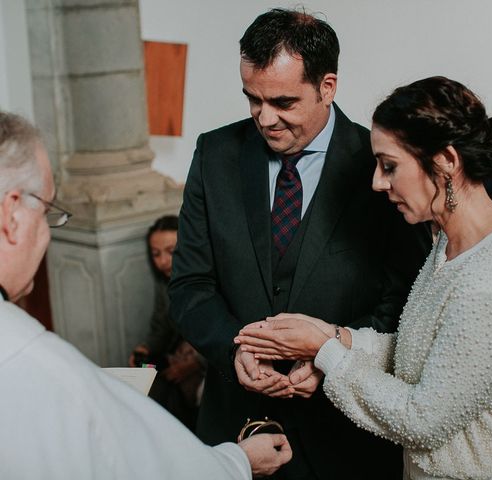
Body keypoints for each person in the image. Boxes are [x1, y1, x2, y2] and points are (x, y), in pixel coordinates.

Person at [236, 76, 492, 479]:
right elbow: (422, 353)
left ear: (446, 162)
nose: (377, 182)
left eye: (389, 166)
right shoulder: (449, 242)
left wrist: (328, 354)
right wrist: (335, 335)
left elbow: (423, 418)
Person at [168, 8, 427, 480]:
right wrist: (234, 349)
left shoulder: (381, 164)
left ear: (327, 87)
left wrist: (331, 359)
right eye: (253, 99)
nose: (265, 118)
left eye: (283, 102)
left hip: (348, 437)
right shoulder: (215, 154)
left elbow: (405, 301)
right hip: (237, 431)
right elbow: (190, 284)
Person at [0, 110, 291, 478]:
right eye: (45, 211)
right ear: (12, 215)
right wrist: (239, 462)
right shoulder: (40, 367)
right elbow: (153, 466)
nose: (47, 233)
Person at [128, 215, 205, 431]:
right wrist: (147, 348)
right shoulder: (165, 281)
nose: (163, 261)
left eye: (172, 251)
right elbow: (161, 324)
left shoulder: (209, 277)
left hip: (212, 360)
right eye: (156, 254)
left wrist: (196, 363)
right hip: (180, 353)